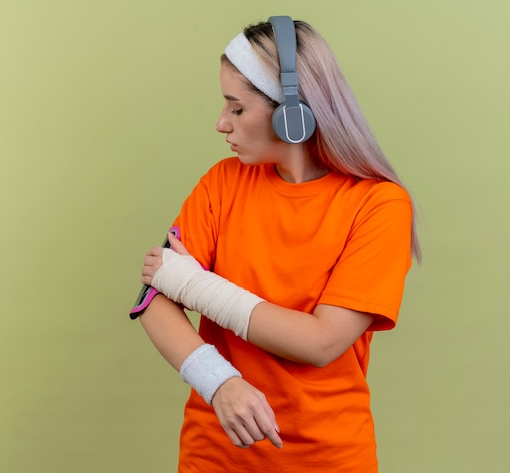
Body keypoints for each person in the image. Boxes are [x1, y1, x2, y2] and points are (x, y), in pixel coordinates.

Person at [136, 15, 420, 473]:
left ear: (292, 115)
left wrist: (194, 286)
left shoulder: (379, 204)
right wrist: (218, 382)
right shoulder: (222, 183)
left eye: (237, 108)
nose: (220, 124)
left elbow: (322, 341)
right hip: (215, 455)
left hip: (325, 458)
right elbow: (152, 299)